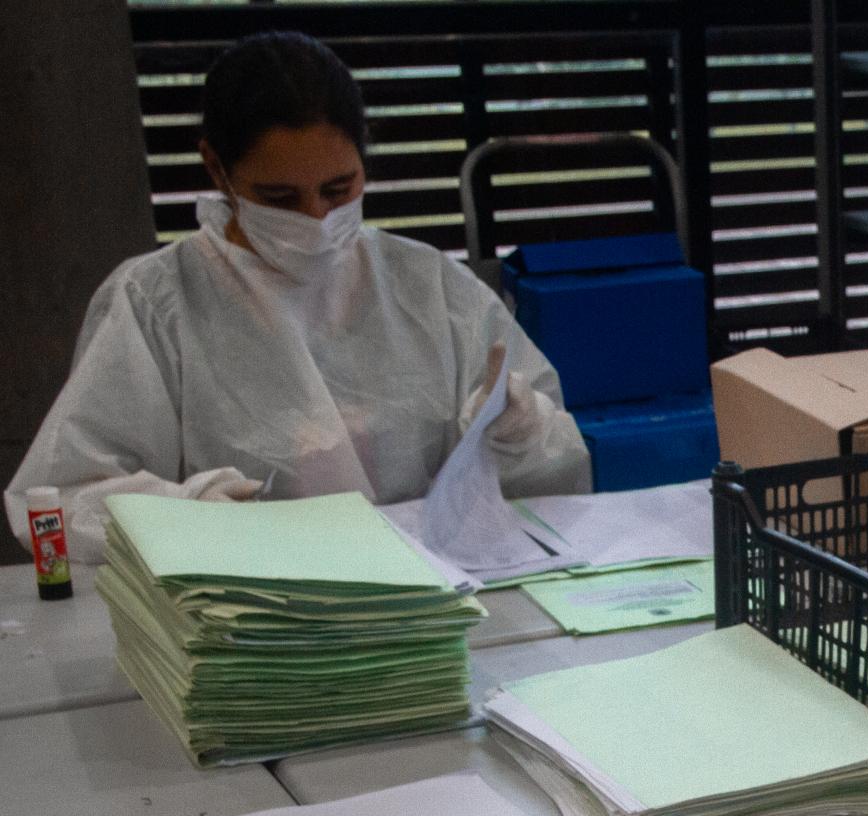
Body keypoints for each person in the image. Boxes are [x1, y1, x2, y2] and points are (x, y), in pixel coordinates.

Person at [5, 31, 590, 563]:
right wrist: (186, 510)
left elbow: (550, 478)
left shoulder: (429, 285)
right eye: (279, 198)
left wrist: (519, 435)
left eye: (339, 189)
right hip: (254, 602)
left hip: (435, 588)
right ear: (216, 169)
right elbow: (65, 496)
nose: (315, 219)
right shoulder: (157, 302)